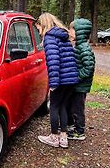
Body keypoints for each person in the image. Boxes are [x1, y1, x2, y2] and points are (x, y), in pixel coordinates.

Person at [36, 13, 79, 148]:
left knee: (54, 106)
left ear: (43, 24)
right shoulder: (63, 36)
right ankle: (63, 138)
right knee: (63, 107)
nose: (38, 31)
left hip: (60, 79)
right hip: (71, 79)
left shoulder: (50, 38)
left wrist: (53, 84)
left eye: (38, 28)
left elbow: (54, 62)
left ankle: (54, 137)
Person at [67, 18, 95, 140]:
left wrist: (76, 77)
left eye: (72, 30)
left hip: (80, 86)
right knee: (72, 106)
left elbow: (89, 68)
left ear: (80, 32)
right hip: (76, 85)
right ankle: (74, 126)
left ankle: (80, 132)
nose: (69, 32)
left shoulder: (84, 48)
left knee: (78, 109)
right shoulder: (79, 46)